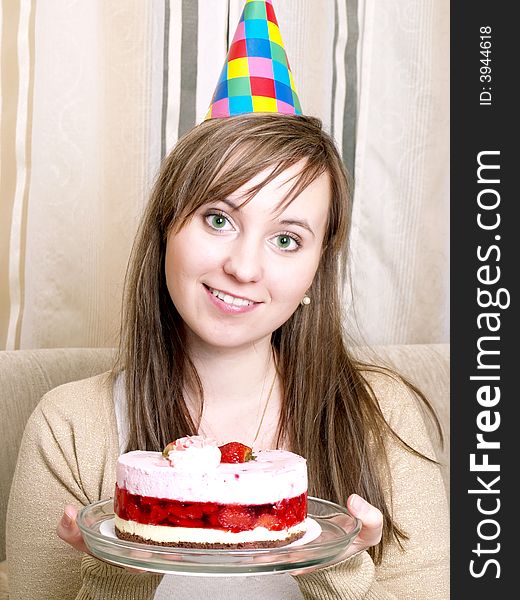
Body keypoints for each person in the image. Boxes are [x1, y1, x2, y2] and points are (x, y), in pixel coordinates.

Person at [6, 2, 449, 598]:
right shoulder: (67, 428)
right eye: (218, 218)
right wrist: (118, 564)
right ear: (167, 227)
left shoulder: (383, 418)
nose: (243, 267)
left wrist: (330, 563)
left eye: (287, 238)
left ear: (317, 268)